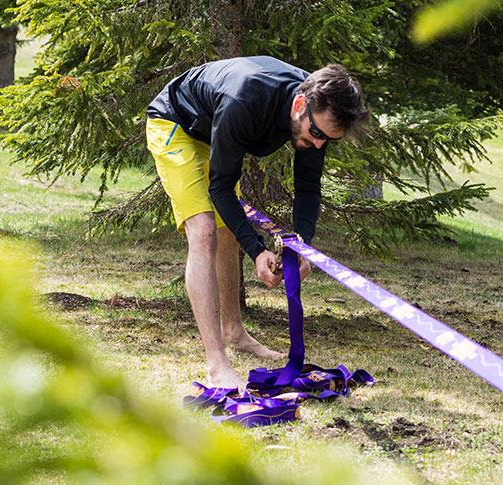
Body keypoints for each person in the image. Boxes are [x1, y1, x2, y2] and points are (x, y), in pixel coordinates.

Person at [145, 56, 368, 390]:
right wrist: (257, 251)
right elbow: (221, 187)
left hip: (213, 132)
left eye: (328, 140)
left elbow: (308, 186)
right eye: (317, 133)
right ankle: (216, 364)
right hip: (174, 125)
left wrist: (300, 246)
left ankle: (235, 333)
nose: (319, 144)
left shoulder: (318, 110)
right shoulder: (245, 100)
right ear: (299, 104)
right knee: (205, 231)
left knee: (228, 233)